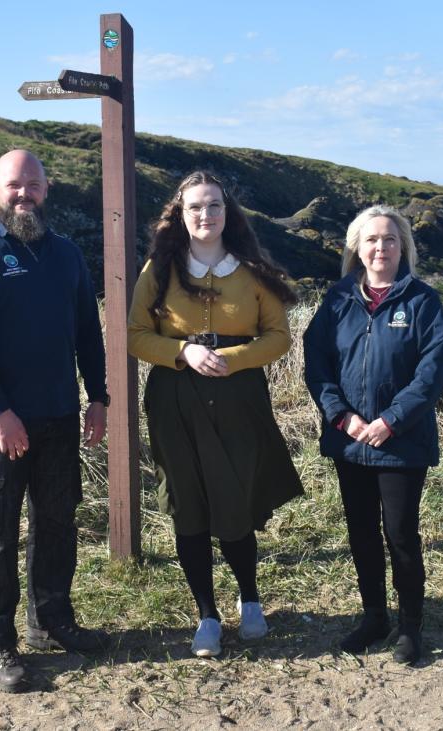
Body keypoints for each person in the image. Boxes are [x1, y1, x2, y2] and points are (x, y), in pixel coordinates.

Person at [0, 149, 110, 693]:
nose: (24, 194)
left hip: (60, 417)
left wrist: (99, 397)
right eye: (14, 185)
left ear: (47, 188)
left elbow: (88, 329)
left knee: (57, 524)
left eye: (32, 185)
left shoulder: (65, 255)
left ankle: (51, 621)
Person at [128, 171, 303, 658]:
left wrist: (234, 358)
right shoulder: (158, 270)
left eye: (214, 206)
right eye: (196, 208)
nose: (206, 215)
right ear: (180, 216)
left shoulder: (251, 270)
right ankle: (206, 614)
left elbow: (279, 337)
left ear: (228, 213)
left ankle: (250, 601)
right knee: (188, 505)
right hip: (175, 401)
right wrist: (182, 351)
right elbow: (134, 334)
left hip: (239, 399)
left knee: (236, 501)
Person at [302, 205, 443, 665]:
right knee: (361, 533)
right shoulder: (337, 300)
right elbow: (317, 363)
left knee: (401, 533)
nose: (381, 248)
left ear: (403, 247)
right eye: (372, 240)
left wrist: (390, 421)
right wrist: (342, 417)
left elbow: (432, 372)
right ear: (357, 248)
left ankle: (410, 626)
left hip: (401, 441)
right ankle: (373, 618)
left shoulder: (423, 301)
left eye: (390, 240)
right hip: (350, 440)